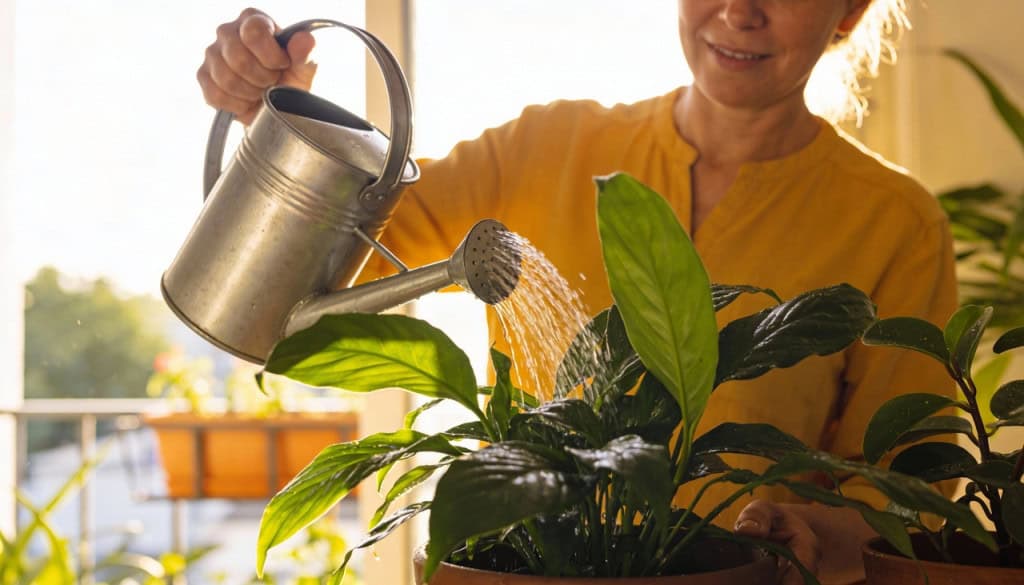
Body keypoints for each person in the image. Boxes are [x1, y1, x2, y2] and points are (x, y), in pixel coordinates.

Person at [196, 2, 957, 584]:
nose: (738, 10)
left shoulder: (894, 221)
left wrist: (809, 528)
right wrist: (283, 124)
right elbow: (329, 267)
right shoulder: (545, 147)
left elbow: (909, 493)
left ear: (850, 10)